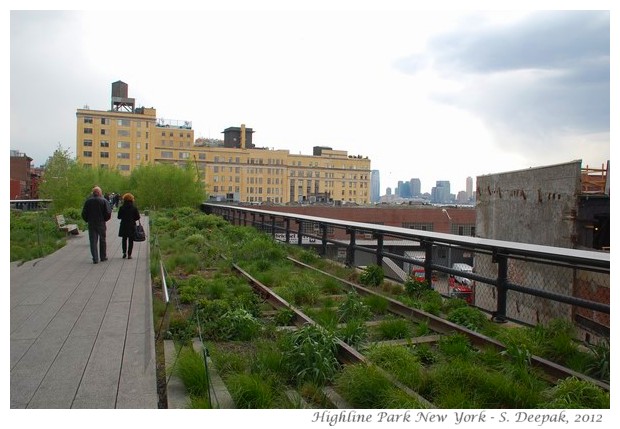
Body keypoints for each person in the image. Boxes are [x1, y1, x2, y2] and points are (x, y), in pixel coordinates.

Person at [81, 186, 112, 264]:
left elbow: (84, 213)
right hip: (101, 223)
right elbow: (108, 213)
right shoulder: (104, 201)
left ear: (93, 193)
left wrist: (87, 220)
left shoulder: (88, 202)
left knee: (93, 241)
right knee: (102, 240)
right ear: (100, 193)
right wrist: (104, 219)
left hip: (91, 223)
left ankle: (95, 258)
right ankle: (103, 257)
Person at [117, 193, 141, 259]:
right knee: (131, 240)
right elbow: (137, 217)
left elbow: (119, 217)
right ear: (132, 199)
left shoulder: (122, 208)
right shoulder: (134, 208)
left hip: (124, 225)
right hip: (131, 225)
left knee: (124, 239)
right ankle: (129, 254)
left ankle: (124, 252)